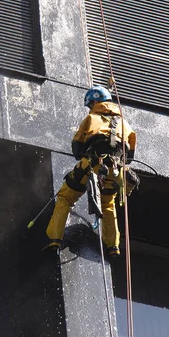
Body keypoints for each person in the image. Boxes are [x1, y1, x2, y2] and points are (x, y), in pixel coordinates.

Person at [45, 85, 137, 258]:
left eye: (90, 104)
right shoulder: (126, 124)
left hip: (91, 165)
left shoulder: (91, 118)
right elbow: (129, 157)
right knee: (108, 203)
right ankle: (113, 246)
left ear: (95, 101)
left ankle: (55, 238)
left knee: (65, 197)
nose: (90, 108)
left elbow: (77, 148)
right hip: (114, 170)